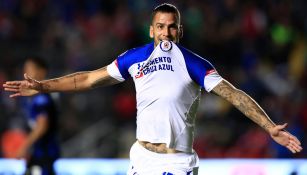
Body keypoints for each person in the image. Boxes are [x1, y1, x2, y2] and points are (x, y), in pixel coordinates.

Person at [3, 3, 302, 175]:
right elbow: (87, 79)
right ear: (152, 30)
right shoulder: (135, 58)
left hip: (177, 161)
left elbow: (233, 94)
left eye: (172, 26)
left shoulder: (193, 64)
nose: (166, 32)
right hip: (142, 157)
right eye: (160, 26)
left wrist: (269, 126)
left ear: (180, 31)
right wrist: (43, 86)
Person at [13, 57, 60, 175]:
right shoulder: (33, 98)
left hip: (44, 154)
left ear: (42, 72)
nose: (26, 74)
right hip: (38, 155)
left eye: (30, 69)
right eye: (24, 70)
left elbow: (41, 126)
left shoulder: (42, 98)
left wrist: (24, 147)